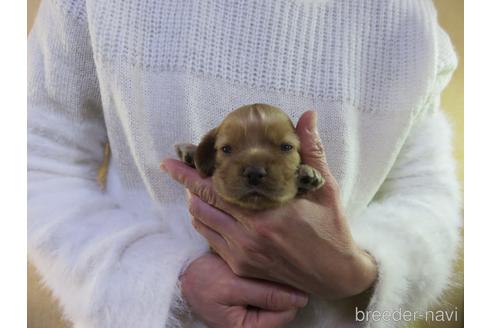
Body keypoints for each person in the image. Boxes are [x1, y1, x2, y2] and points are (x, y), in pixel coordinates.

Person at [27, 0, 461, 327]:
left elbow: (426, 193)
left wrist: (358, 272)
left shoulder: (406, 19)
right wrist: (164, 279)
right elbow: (34, 160)